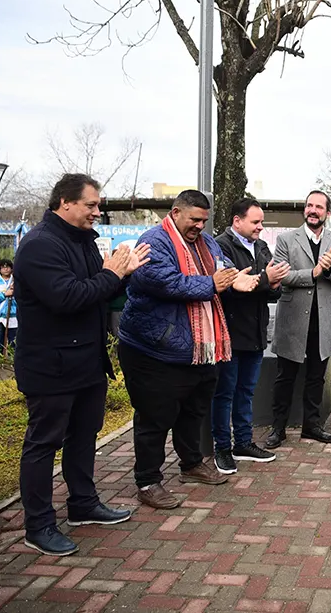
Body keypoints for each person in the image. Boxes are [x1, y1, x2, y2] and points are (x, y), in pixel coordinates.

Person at [15, 173, 150, 556]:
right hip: (50, 366)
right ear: (65, 203)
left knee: (84, 435)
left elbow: (100, 294)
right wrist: (113, 273)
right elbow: (68, 297)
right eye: (91, 204)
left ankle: (83, 504)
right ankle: (38, 525)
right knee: (43, 444)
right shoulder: (40, 245)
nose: (97, 211)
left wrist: (123, 276)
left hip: (88, 362)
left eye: (98, 204)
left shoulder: (85, 241)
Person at [120, 189, 247, 510]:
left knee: (194, 410)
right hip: (155, 349)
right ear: (176, 213)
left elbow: (224, 268)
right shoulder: (154, 240)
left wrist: (239, 279)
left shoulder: (207, 243)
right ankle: (148, 480)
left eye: (204, 221)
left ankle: (191, 464)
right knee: (154, 417)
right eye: (194, 220)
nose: (200, 227)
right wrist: (212, 284)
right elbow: (161, 281)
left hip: (198, 349)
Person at [265, 190, 331, 449]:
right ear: (305, 210)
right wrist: (313, 273)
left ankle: (312, 426)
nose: (313, 210)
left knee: (316, 377)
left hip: (323, 320)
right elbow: (280, 275)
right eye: (309, 206)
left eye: (318, 207)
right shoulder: (286, 239)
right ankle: (277, 428)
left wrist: (329, 270)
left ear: (327, 212)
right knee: (285, 377)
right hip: (293, 319)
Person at [211, 198, 290, 475]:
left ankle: (243, 442)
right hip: (230, 332)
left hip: (256, 332)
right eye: (255, 222)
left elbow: (272, 290)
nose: (260, 227)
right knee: (225, 392)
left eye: (261, 222)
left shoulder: (261, 247)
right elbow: (232, 287)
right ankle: (222, 446)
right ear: (237, 221)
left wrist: (272, 282)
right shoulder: (220, 246)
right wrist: (265, 279)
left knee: (246, 391)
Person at [0, 259, 18, 351]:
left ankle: (13, 360)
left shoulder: (16, 280)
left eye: (8, 267)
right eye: (3, 267)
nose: (6, 269)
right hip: (0, 315)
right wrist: (4, 294)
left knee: (13, 340)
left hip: (13, 315)